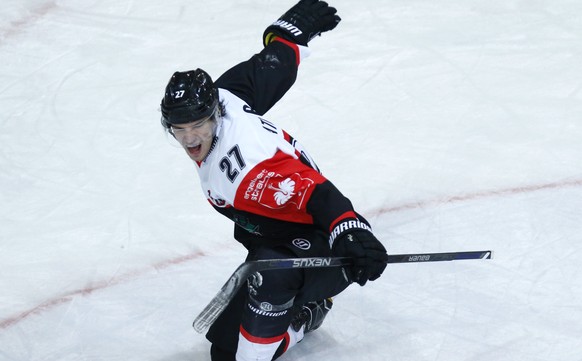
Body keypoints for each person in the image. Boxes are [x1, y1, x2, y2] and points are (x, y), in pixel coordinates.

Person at [159, 1, 388, 360]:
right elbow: (272, 68)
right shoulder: (224, 98)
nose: (189, 139)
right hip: (279, 231)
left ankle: (305, 303)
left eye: (197, 126)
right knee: (223, 346)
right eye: (180, 129)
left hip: (322, 248)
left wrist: (351, 232)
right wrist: (287, 36)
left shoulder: (247, 171)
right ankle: (301, 317)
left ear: (214, 114)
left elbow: (317, 195)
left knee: (236, 352)